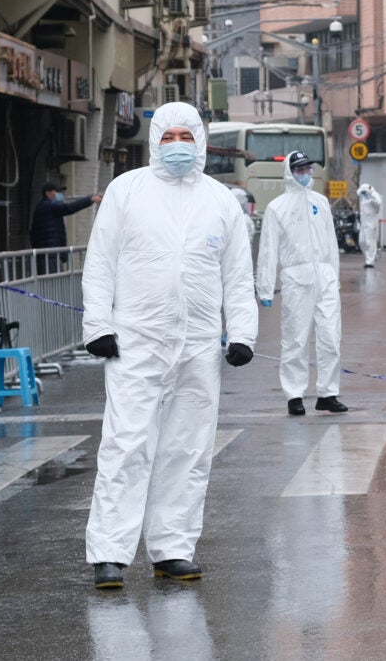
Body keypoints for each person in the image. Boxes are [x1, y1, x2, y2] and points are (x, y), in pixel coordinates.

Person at [81, 102, 258, 589]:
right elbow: (100, 263)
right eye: (169, 135)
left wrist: (241, 332)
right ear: (155, 138)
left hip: (199, 344)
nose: (178, 143)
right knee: (126, 444)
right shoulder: (127, 191)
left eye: (186, 134)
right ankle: (110, 553)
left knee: (188, 448)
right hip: (136, 340)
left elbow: (238, 275)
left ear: (200, 139)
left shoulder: (220, 200)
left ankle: (173, 548)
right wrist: (98, 325)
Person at [256, 151, 349, 416]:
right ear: (290, 172)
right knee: (295, 339)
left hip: (324, 277)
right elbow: (268, 250)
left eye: (308, 169)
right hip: (296, 278)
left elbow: (331, 243)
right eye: (300, 169)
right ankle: (294, 394)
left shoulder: (320, 202)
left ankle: (328, 393)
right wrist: (265, 287)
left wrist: (334, 276)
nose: (305, 174)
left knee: (331, 337)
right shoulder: (277, 208)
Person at [31, 182, 101, 272]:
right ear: (48, 193)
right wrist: (90, 199)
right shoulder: (48, 206)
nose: (59, 195)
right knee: (54, 282)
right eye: (56, 192)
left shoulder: (46, 206)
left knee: (53, 281)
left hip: (50, 253)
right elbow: (69, 208)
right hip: (50, 254)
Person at [357, 183, 382, 268]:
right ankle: (371, 257)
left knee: (370, 242)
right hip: (364, 223)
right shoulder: (363, 197)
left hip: (371, 223)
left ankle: (370, 261)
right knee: (361, 242)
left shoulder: (374, 195)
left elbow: (378, 203)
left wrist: (371, 196)